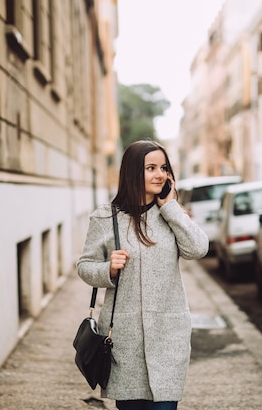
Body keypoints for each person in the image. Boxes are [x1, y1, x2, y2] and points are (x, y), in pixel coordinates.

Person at [76, 140, 209, 410]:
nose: (160, 174)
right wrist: (108, 268)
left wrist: (171, 207)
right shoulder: (105, 217)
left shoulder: (171, 216)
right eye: (151, 168)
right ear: (132, 172)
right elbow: (85, 266)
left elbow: (198, 249)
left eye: (163, 168)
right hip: (125, 340)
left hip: (167, 336)